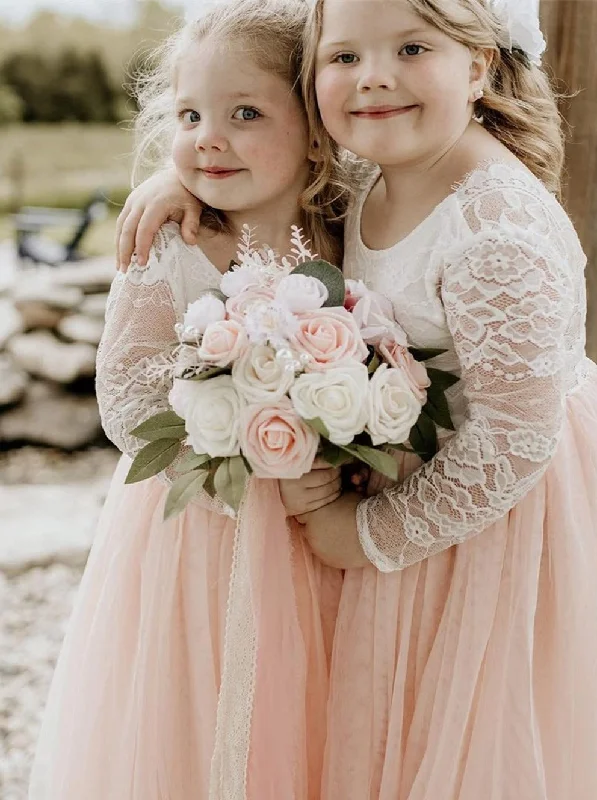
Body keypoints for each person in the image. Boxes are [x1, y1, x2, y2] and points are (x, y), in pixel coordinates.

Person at [117, 0, 597, 797]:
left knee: (467, 743)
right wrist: (181, 170)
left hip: (493, 526)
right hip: (414, 510)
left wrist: (367, 535)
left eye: (411, 47)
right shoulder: (374, 171)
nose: (374, 77)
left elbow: (513, 435)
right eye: (343, 57)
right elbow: (265, 150)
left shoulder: (493, 225)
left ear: (478, 65)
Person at [28, 2, 354, 798]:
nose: (209, 135)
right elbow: (127, 396)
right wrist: (242, 443)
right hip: (198, 533)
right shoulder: (169, 244)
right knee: (202, 709)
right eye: (189, 115)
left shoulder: (348, 226)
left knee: (316, 712)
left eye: (246, 113)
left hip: (324, 530)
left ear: (314, 128)